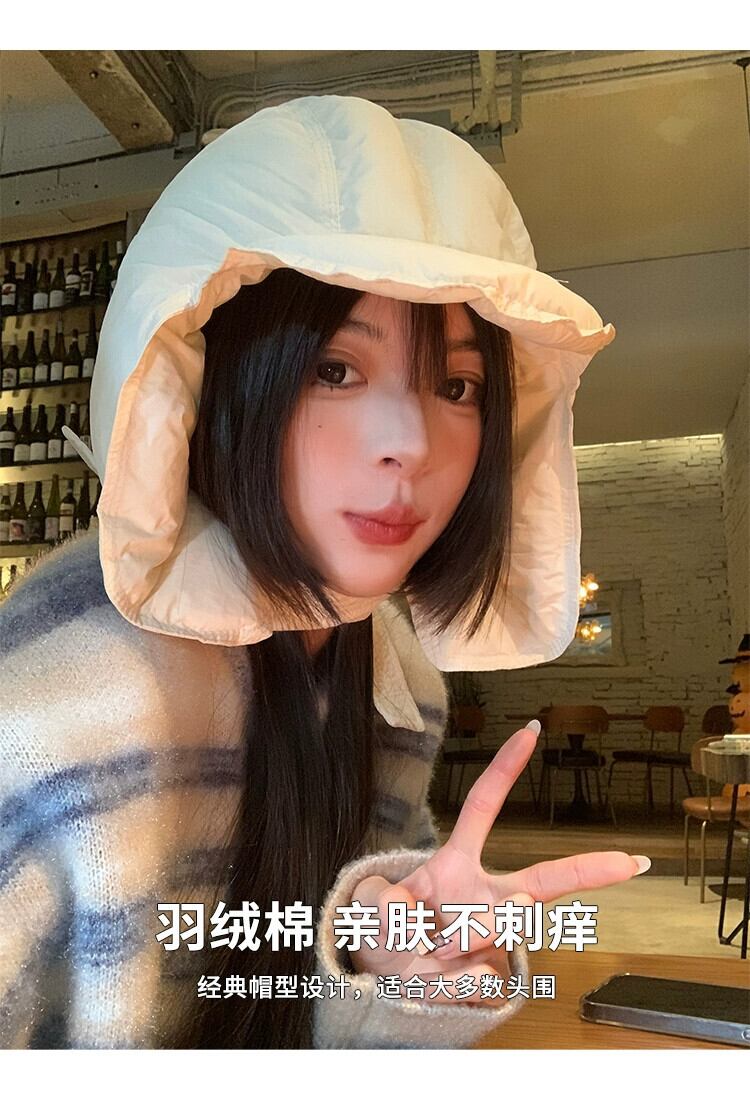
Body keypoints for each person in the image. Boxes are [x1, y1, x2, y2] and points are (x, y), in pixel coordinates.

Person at [0, 94, 649, 1051]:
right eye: (336, 370)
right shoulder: (61, 698)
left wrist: (401, 962)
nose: (411, 443)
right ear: (209, 385)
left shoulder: (394, 676)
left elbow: (300, 1000)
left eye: (457, 385)